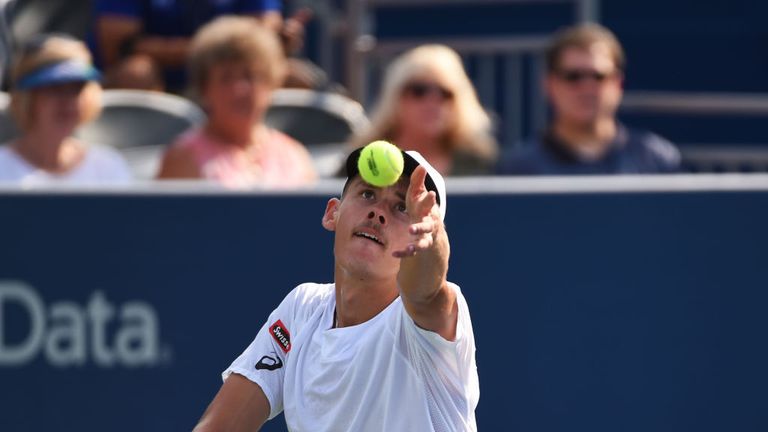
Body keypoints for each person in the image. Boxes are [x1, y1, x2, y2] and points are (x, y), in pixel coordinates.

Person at [192, 148, 479, 431]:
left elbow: (426, 292)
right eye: (368, 194)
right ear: (333, 213)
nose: (378, 213)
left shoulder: (433, 321)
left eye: (402, 208)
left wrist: (431, 240)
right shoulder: (301, 309)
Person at [497, 23, 681, 175]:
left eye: (598, 76)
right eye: (573, 76)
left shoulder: (658, 161)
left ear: (618, 84)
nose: (587, 87)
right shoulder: (519, 170)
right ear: (549, 85)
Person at [155, 16, 316, 188]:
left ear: (271, 82)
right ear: (204, 88)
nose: (240, 89)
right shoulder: (183, 157)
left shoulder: (294, 154)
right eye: (226, 78)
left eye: (250, 76)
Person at [93, 0, 312, 93]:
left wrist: (275, 41)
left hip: (229, 74)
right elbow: (120, 46)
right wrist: (216, 49)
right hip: (159, 82)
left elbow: (262, 32)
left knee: (294, 78)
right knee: (136, 72)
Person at [0, 33, 132, 184]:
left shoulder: (109, 166)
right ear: (27, 97)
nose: (68, 102)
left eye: (77, 89)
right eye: (54, 89)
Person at [350, 44, 498, 176]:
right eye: (419, 90)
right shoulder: (362, 161)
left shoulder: (477, 163)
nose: (433, 102)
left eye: (445, 93)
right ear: (395, 97)